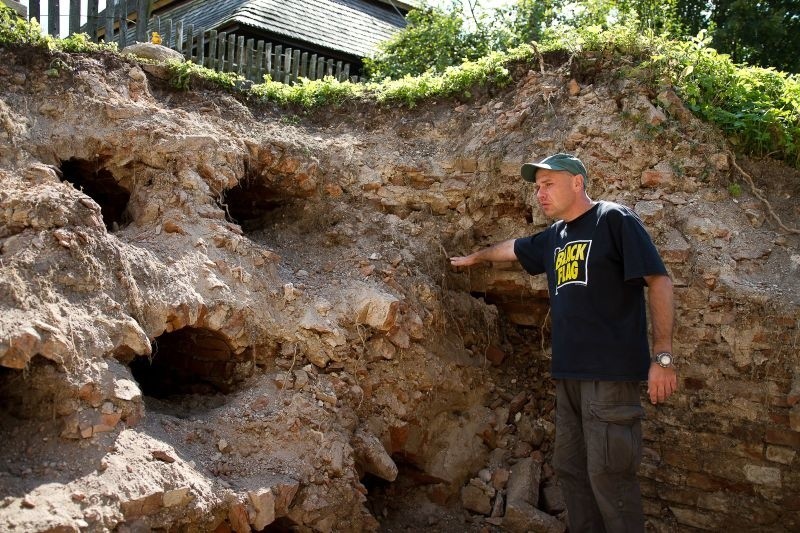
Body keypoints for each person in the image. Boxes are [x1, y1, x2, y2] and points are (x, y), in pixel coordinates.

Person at [450, 153, 676, 532]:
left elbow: (659, 280)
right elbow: (513, 249)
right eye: (537, 186)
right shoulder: (555, 237)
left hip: (610, 375)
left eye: (548, 184)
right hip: (568, 375)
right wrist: (476, 257)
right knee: (572, 471)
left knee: (610, 476)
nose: (540, 193)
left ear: (577, 183)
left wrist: (663, 357)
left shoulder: (613, 219)